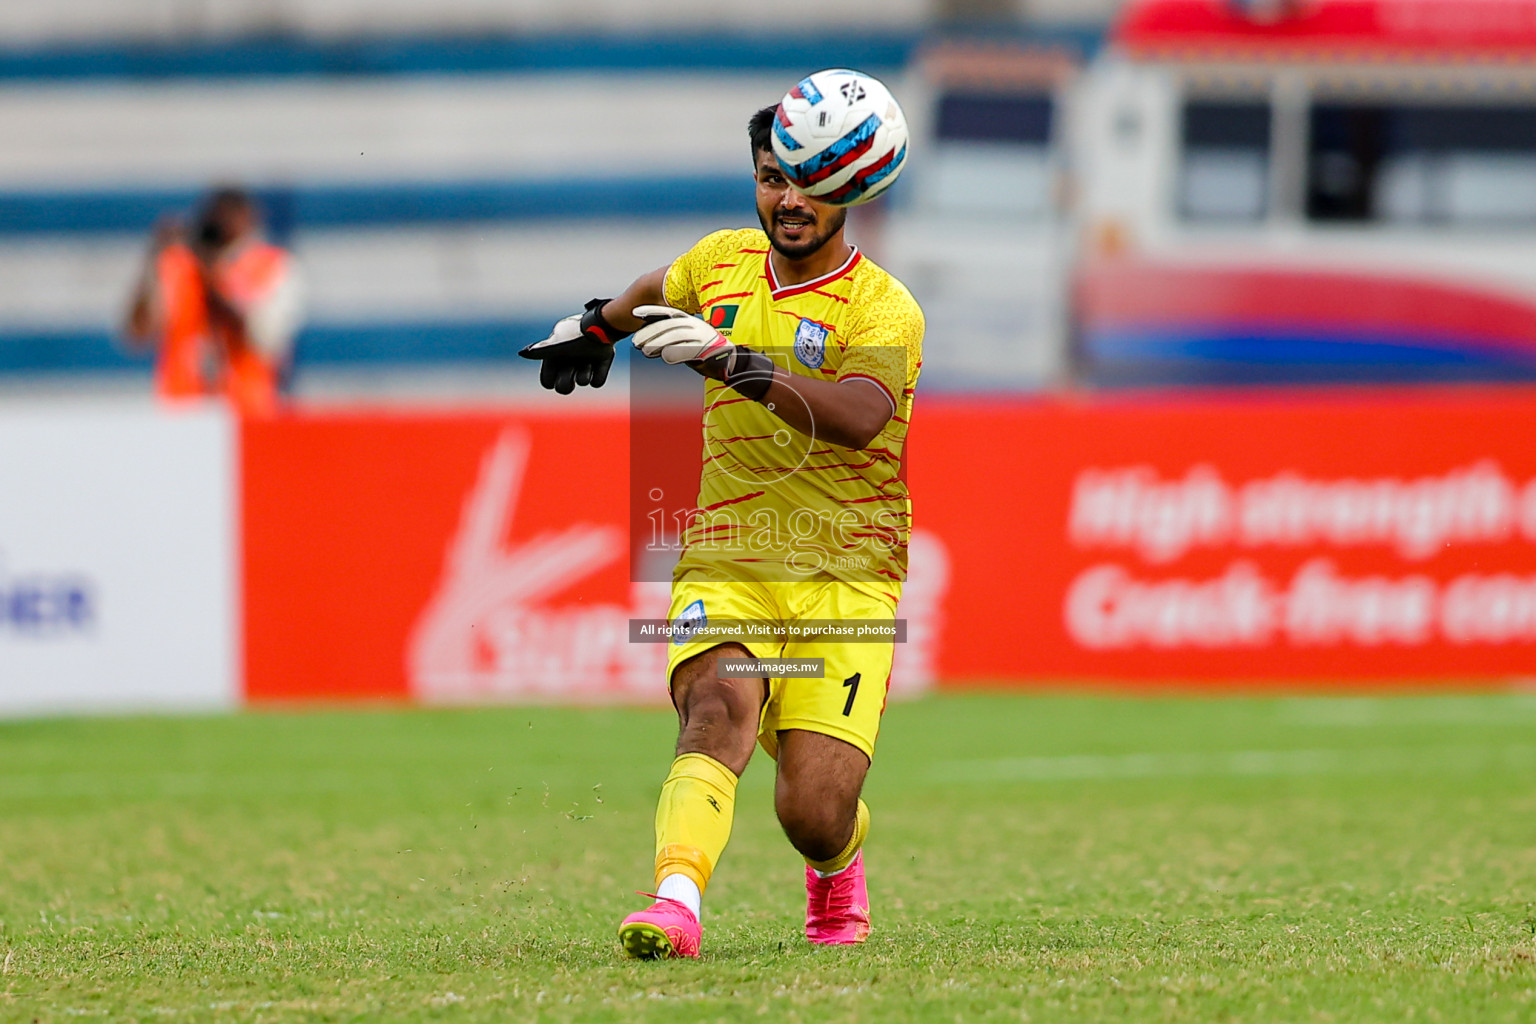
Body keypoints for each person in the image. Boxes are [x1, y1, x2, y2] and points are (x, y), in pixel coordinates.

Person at [521, 103, 923, 959]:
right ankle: (674, 902)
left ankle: (837, 868)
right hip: (726, 555)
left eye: (809, 182)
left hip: (846, 573)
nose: (789, 199)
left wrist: (729, 361)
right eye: (774, 178)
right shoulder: (719, 263)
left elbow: (856, 418)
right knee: (716, 706)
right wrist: (596, 325)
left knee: (812, 812)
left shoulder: (886, 310)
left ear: (848, 188)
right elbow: (651, 292)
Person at [124, 187, 302, 417]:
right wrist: (154, 258)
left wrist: (208, 274)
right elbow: (138, 332)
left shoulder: (273, 268)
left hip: (246, 416)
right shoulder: (179, 266)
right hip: (182, 413)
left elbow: (260, 337)